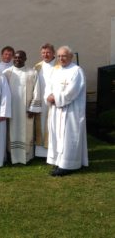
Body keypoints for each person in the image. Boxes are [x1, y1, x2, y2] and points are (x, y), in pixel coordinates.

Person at [45, 46, 88, 176]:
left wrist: (56, 98)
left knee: (69, 136)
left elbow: (72, 92)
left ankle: (69, 164)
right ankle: (59, 161)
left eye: (64, 56)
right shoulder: (56, 70)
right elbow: (49, 87)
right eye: (58, 56)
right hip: (57, 110)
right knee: (57, 135)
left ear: (70, 57)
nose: (61, 58)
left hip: (71, 111)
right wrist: (48, 97)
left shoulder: (77, 71)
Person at [3, 50, 41, 164]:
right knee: (11, 132)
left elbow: (37, 91)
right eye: (15, 57)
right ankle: (11, 156)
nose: (17, 59)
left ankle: (26, 156)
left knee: (26, 131)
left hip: (26, 110)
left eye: (20, 58)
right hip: (12, 110)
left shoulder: (32, 72)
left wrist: (33, 108)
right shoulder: (7, 73)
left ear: (25, 59)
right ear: (12, 58)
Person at [34, 43, 57, 157]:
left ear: (53, 53)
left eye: (48, 52)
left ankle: (53, 151)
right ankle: (40, 152)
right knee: (41, 124)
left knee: (53, 125)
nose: (45, 55)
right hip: (41, 101)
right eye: (43, 53)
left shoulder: (59, 65)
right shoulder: (37, 67)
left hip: (55, 101)